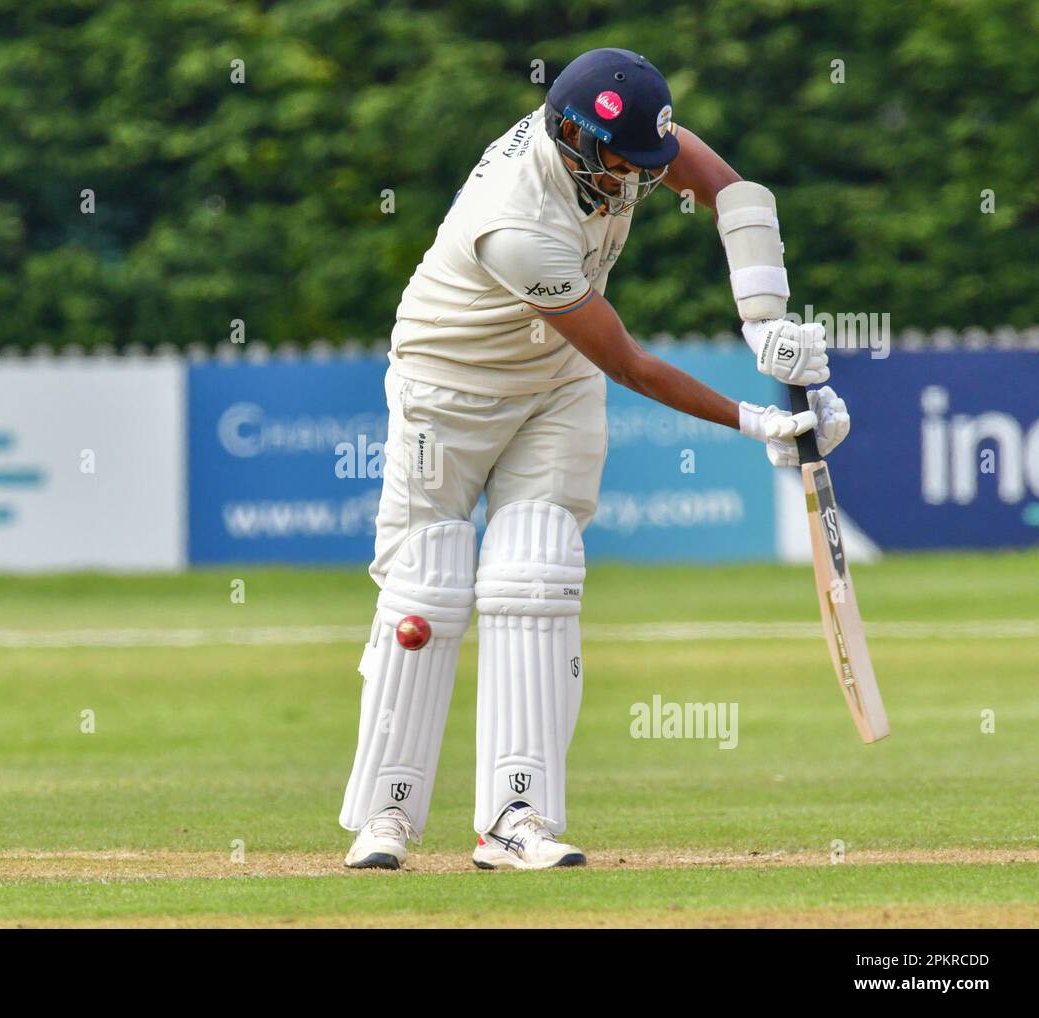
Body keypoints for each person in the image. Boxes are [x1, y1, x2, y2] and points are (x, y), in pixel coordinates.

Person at [340, 48, 847, 870]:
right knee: (426, 586)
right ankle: (386, 817)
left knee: (538, 575)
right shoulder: (517, 224)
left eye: (648, 162)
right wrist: (759, 422)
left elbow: (734, 191)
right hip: (449, 386)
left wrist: (765, 323)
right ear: (572, 136)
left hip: (555, 379)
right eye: (621, 164)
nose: (638, 183)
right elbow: (629, 365)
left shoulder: (624, 144)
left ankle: (517, 820)